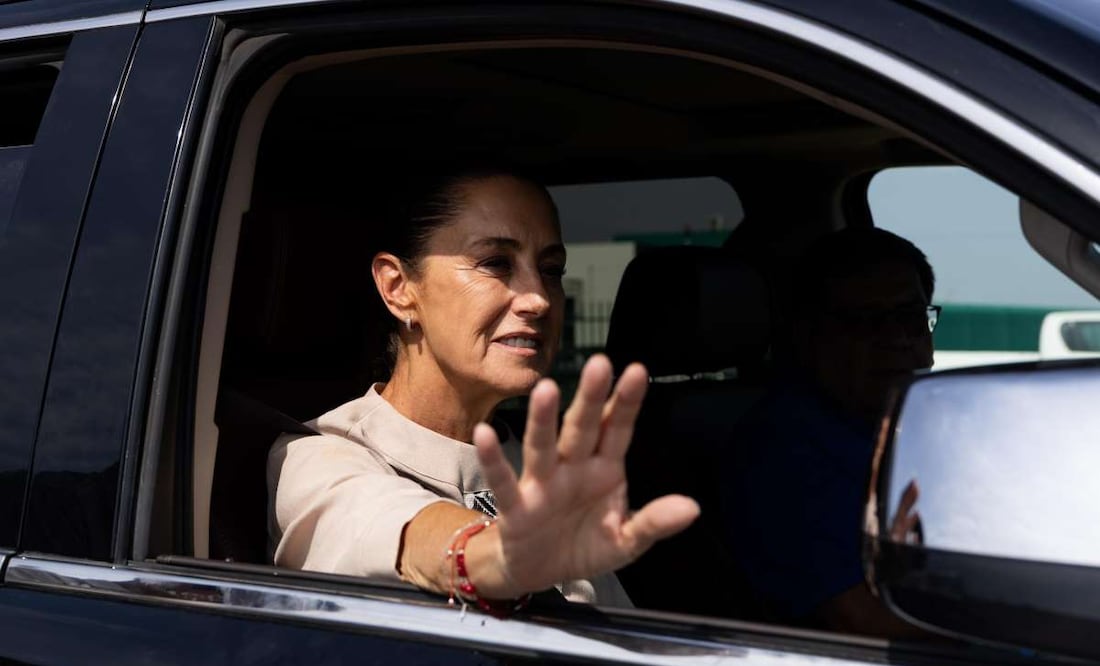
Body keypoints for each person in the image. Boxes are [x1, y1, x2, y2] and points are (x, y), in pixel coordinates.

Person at [267, 167, 699, 609]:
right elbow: (395, 529)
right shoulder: (319, 456)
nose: (539, 299)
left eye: (551, 270)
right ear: (398, 288)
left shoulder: (541, 463)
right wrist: (496, 556)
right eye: (495, 262)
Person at [721, 227, 935, 636]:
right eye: (864, 323)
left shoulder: (909, 428)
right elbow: (864, 617)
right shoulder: (784, 451)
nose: (895, 339)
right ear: (809, 336)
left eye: (909, 318)